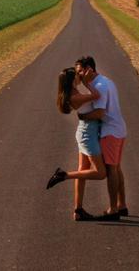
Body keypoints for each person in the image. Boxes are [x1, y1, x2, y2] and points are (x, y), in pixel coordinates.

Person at [46, 66, 107, 221]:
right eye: (77, 75)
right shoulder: (75, 97)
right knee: (100, 173)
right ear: (73, 81)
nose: (80, 75)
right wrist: (87, 82)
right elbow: (97, 95)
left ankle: (78, 210)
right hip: (87, 135)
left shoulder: (74, 93)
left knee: (83, 170)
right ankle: (64, 175)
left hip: (85, 132)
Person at [74, 55, 128, 220]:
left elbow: (99, 112)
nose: (79, 75)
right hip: (118, 129)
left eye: (80, 71)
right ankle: (122, 205)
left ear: (89, 68)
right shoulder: (105, 81)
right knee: (116, 168)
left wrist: (82, 117)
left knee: (111, 169)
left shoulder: (99, 85)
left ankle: (113, 210)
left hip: (110, 131)